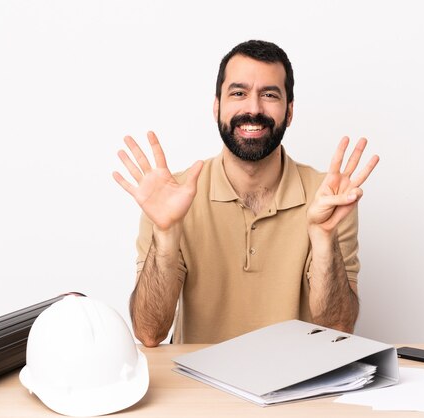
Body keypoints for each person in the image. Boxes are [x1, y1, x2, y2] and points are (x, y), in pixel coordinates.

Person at [113, 40, 379, 347]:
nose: (253, 108)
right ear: (217, 107)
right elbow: (149, 333)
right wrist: (166, 232)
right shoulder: (172, 196)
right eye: (238, 93)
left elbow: (338, 328)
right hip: (201, 387)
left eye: (269, 95)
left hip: (298, 386)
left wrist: (323, 238)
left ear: (289, 112)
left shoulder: (328, 196)